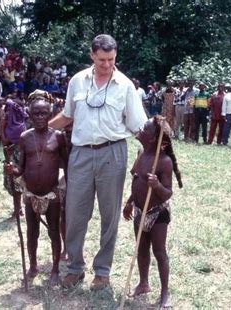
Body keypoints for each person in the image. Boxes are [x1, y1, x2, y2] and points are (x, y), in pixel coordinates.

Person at [49, 34, 147, 290]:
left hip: (113, 153)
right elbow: (67, 116)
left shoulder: (125, 86)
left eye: (111, 59)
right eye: (102, 59)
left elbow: (139, 126)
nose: (107, 65)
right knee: (75, 213)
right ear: (92, 55)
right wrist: (42, 129)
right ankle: (75, 268)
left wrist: (157, 145)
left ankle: (102, 272)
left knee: (109, 215)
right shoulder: (77, 81)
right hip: (80, 154)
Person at [4, 90, 68, 286]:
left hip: (51, 193)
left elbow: (66, 165)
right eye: (36, 114)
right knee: (32, 232)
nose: (40, 117)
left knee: (53, 232)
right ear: (29, 115)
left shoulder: (58, 136)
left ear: (50, 115)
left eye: (44, 113)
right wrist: (12, 171)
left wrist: (68, 187)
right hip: (31, 193)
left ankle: (55, 268)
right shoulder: (24, 137)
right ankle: (33, 265)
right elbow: (21, 167)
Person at [123, 116, 178, 308]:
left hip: (157, 213)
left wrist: (156, 186)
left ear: (153, 138)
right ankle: (143, 283)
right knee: (141, 249)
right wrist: (130, 202)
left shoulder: (163, 162)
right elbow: (136, 180)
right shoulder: (141, 154)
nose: (140, 129)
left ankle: (164, 293)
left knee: (159, 252)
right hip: (139, 210)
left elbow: (167, 193)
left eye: (145, 128)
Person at [1, 96, 27, 218]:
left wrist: (1, 126)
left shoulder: (18, 127)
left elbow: (5, 142)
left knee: (16, 186)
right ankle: (18, 208)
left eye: (8, 110)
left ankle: (18, 209)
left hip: (16, 160)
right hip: (10, 158)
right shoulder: (12, 124)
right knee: (13, 185)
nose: (5, 113)